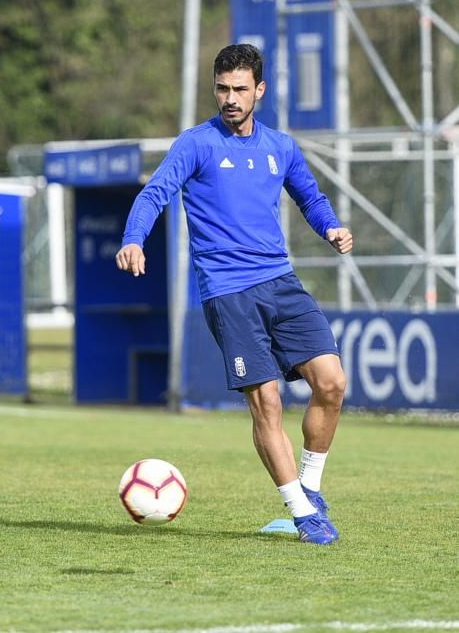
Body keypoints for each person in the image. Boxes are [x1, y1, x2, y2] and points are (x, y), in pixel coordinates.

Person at [116, 44, 353, 545]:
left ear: (259, 91)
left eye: (240, 89)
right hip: (228, 291)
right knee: (266, 401)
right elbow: (153, 193)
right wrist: (133, 239)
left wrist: (331, 228)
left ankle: (310, 488)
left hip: (280, 282)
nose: (230, 98)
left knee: (331, 383)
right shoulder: (196, 144)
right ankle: (302, 512)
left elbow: (310, 195)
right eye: (222, 88)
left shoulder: (280, 146)